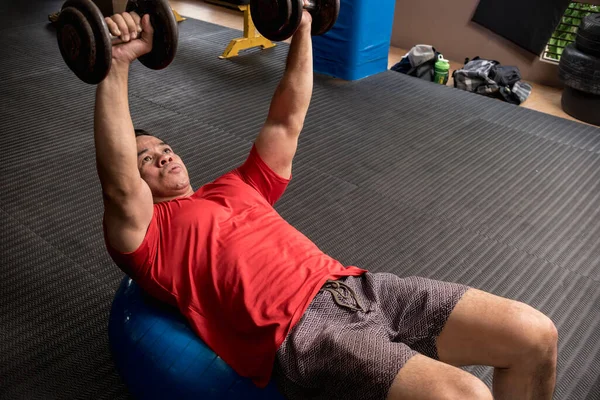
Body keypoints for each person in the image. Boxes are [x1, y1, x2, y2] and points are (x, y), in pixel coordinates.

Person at [95, 8, 558, 400]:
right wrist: (117, 64)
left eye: (164, 146)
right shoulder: (148, 238)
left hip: (361, 287)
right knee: (466, 395)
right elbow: (117, 183)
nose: (162, 155)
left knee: (535, 335)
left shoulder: (238, 185)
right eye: (146, 159)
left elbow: (286, 118)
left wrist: (301, 24)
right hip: (303, 335)